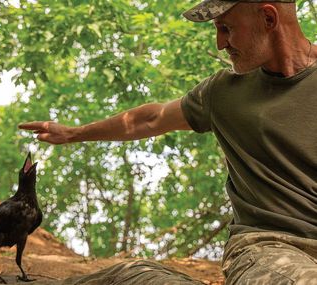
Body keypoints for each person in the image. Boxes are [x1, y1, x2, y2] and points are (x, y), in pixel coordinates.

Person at [19, 0, 317, 284]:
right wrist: (73, 133)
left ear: (268, 19)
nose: (220, 43)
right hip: (269, 248)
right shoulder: (222, 94)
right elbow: (150, 119)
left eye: (226, 28)